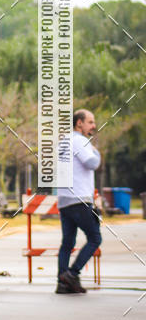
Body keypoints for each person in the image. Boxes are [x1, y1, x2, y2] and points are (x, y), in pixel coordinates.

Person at [55, 109, 102, 294]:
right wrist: (96, 152)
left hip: (64, 200)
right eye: (90, 122)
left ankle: (63, 284)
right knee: (95, 238)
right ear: (79, 123)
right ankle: (72, 274)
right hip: (79, 199)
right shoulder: (80, 141)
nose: (94, 126)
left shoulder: (63, 142)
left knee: (67, 242)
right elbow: (92, 163)